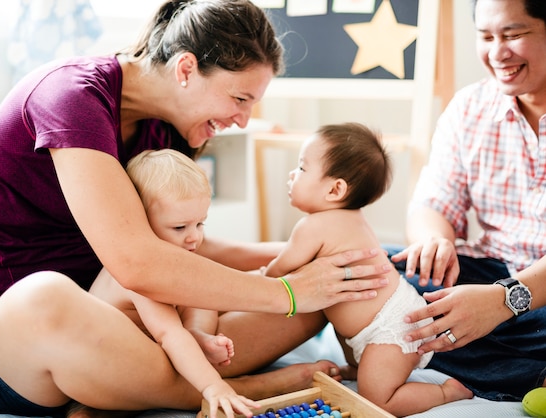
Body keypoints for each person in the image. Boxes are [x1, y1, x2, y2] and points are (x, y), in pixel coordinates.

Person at [0, 1, 391, 417]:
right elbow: (138, 264)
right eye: (240, 99)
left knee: (332, 289)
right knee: (44, 297)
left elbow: (183, 244)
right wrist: (289, 292)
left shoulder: (169, 129)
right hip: (22, 341)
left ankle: (134, 388)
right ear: (186, 68)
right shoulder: (71, 97)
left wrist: (308, 263)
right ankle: (235, 388)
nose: (243, 119)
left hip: (143, 325)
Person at [389, 0, 546, 402]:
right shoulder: (470, 106)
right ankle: (522, 373)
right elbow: (433, 201)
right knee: (369, 271)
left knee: (401, 327)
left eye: (513, 35)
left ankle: (423, 356)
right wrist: (434, 240)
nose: (498, 53)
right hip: (490, 272)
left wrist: (504, 300)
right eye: (486, 36)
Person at [262, 124, 473, 416]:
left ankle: (445, 392)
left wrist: (260, 278)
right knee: (343, 326)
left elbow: (278, 272)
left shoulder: (313, 227)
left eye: (301, 167)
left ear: (335, 189)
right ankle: (363, 367)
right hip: (385, 319)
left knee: (376, 399)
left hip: (389, 329)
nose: (291, 174)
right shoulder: (352, 218)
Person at [90, 149, 255, 417]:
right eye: (180, 228)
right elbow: (169, 334)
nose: (194, 238)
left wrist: (195, 333)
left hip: (159, 335)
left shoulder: (180, 253)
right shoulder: (136, 270)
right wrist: (214, 386)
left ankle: (197, 335)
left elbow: (204, 294)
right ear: (141, 222)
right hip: (114, 361)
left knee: (204, 291)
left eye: (200, 224)